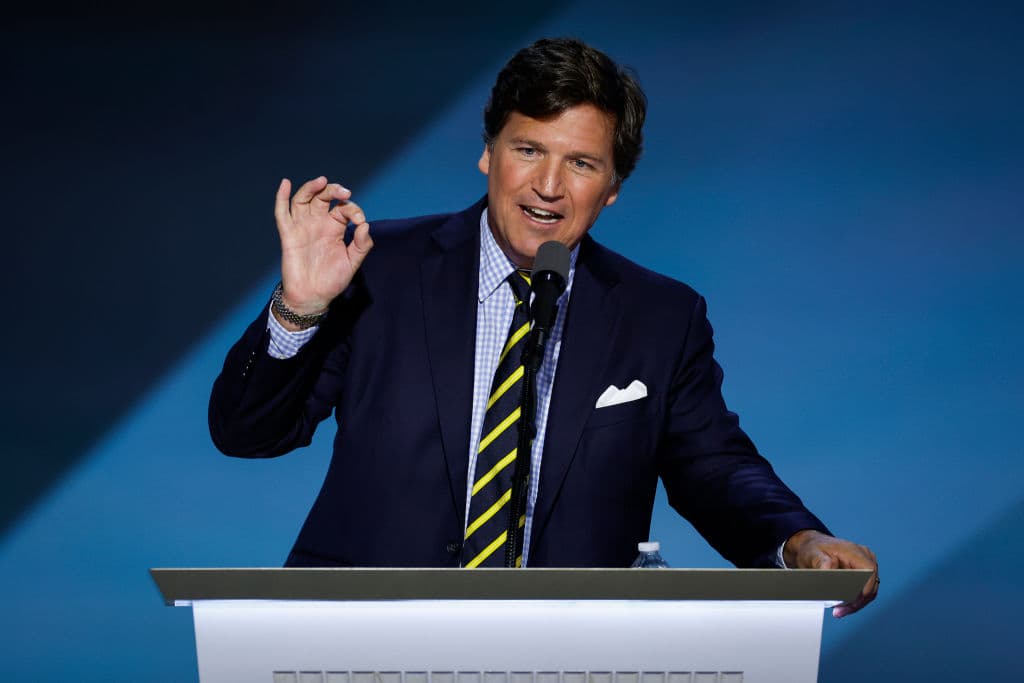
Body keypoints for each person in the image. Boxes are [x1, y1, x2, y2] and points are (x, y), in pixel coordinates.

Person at [210, 37, 878, 616]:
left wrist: (800, 541)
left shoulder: (658, 316)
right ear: (488, 154)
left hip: (568, 648)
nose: (548, 186)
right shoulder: (379, 269)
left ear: (613, 185)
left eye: (581, 163)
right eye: (528, 149)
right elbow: (247, 431)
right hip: (360, 640)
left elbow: (715, 468)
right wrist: (300, 306)